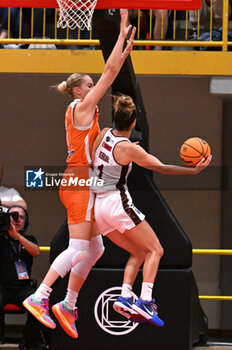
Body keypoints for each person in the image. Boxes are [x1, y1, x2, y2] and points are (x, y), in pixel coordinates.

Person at [23, 9, 136, 339]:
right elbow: (111, 72)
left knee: (95, 249)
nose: (93, 86)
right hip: (78, 181)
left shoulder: (84, 115)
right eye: (89, 84)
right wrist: (120, 41)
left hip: (80, 179)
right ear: (77, 91)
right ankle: (41, 296)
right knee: (77, 249)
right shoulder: (82, 107)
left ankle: (68, 305)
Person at [91, 95, 212, 326]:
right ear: (134, 122)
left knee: (138, 252)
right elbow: (162, 168)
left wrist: (126, 154)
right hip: (117, 203)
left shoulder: (103, 133)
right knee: (156, 249)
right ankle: (145, 301)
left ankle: (126, 296)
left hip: (99, 208)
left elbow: (100, 159)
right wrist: (193, 171)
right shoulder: (128, 149)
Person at [0, 206, 46, 349]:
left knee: (38, 302)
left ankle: (29, 340)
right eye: (14, 216)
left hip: (23, 289)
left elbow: (36, 252)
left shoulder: (29, 239)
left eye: (21, 217)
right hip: (2, 287)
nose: (18, 220)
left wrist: (17, 237)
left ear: (26, 221)